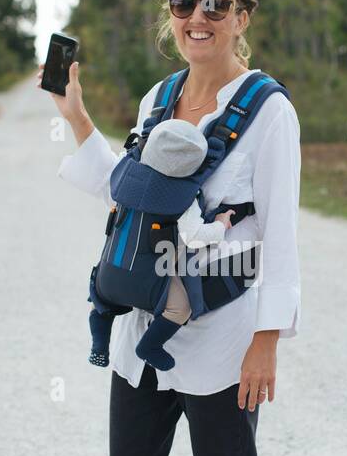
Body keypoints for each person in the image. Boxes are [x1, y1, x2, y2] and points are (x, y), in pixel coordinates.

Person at [41, 0, 301, 456]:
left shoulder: (267, 111)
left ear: (241, 18)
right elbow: (128, 193)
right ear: (172, 16)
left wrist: (267, 342)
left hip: (223, 333)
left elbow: (280, 235)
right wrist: (75, 113)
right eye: (186, 4)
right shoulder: (160, 98)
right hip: (145, 328)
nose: (199, 18)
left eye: (216, 5)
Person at [85, 116, 235, 371]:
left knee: (99, 305)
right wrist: (221, 225)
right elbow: (194, 236)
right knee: (181, 309)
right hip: (148, 286)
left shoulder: (126, 175)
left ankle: (99, 345)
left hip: (107, 280)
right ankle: (150, 346)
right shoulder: (183, 197)